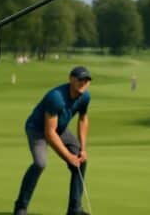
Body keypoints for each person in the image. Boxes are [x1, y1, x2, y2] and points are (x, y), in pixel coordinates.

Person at [13, 66, 92, 215]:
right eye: (80, 79)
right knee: (40, 163)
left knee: (81, 161)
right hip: (37, 129)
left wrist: (82, 148)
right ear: (71, 79)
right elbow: (49, 133)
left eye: (87, 80)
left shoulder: (85, 97)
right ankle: (21, 207)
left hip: (59, 129)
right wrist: (69, 157)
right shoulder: (56, 97)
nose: (84, 83)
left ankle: (74, 210)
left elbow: (83, 119)